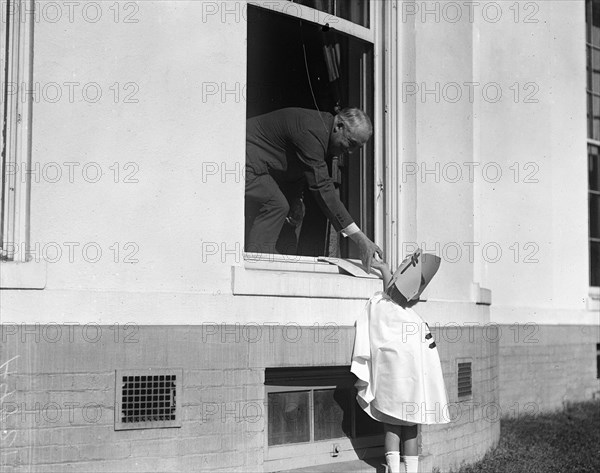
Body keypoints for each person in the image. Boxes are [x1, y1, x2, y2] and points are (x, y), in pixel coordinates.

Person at [245, 107, 382, 270]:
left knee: (283, 207)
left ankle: (261, 262)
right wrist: (361, 239)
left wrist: (296, 198)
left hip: (258, 166)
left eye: (356, 148)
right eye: (351, 143)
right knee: (276, 205)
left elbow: (295, 165)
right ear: (339, 125)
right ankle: (256, 269)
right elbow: (323, 187)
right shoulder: (312, 131)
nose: (350, 152)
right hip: (240, 159)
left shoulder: (322, 129)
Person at [351, 253, 450, 473]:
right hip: (412, 382)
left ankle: (394, 471)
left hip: (391, 380)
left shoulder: (381, 306)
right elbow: (395, 294)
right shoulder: (410, 316)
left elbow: (390, 294)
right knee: (411, 428)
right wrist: (386, 270)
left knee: (392, 427)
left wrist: (385, 270)